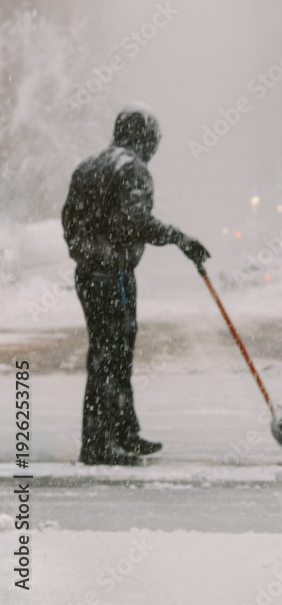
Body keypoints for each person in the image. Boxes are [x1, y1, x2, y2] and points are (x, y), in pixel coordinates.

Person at [62, 104, 210, 466]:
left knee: (112, 353)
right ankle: (98, 444)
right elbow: (135, 221)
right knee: (111, 358)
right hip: (113, 276)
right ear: (145, 139)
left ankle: (124, 431)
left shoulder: (88, 167)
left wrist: (88, 253)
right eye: (153, 142)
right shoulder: (132, 169)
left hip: (91, 274)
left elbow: (70, 220)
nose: (153, 150)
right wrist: (180, 239)